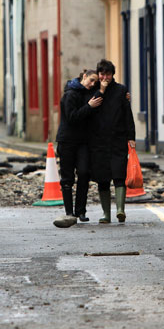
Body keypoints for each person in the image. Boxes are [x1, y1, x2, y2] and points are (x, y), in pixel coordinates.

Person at [53, 69, 104, 228]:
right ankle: (70, 213)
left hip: (83, 141)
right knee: (67, 178)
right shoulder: (70, 94)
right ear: (84, 76)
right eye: (91, 80)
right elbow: (72, 117)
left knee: (84, 173)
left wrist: (125, 96)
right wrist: (89, 106)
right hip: (67, 140)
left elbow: (107, 101)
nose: (92, 84)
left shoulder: (93, 93)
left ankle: (80, 211)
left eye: (95, 82)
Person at [88, 59, 136, 223]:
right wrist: (100, 90)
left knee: (119, 175)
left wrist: (131, 137)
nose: (105, 77)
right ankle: (106, 214)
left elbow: (127, 115)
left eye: (108, 74)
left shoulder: (121, 90)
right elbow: (88, 111)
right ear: (98, 74)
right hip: (98, 142)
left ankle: (120, 210)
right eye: (102, 74)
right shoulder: (93, 91)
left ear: (112, 74)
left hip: (118, 139)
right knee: (102, 179)